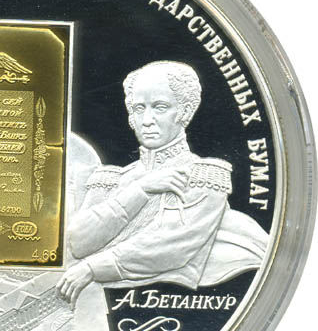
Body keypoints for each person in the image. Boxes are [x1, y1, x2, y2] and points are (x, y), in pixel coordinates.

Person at [58, 61, 268, 305]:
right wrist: (141, 189)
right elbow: (79, 242)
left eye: (160, 107)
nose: (147, 120)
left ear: (185, 112)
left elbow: (173, 244)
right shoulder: (112, 179)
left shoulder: (204, 175)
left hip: (165, 302)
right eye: (139, 108)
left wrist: (92, 268)